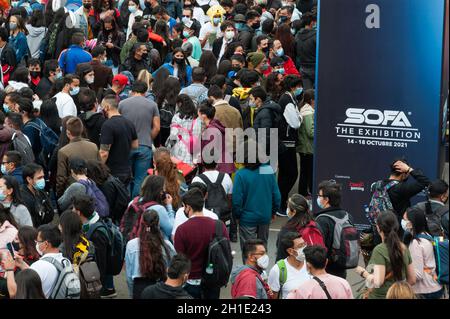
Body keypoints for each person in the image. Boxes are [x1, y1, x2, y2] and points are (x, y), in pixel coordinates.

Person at [174, 188, 230, 299]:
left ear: (188, 207)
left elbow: (180, 258)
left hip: (190, 282)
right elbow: (226, 249)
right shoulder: (219, 226)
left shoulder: (182, 230)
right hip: (214, 279)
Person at [233, 143, 281, 263]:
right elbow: (277, 196)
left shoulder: (241, 174)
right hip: (265, 216)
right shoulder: (267, 170)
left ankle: (248, 276)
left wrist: (238, 216)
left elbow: (236, 201)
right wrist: (273, 211)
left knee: (248, 251)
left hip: (247, 219)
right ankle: (261, 274)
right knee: (262, 249)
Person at [355, 211, 416, 299]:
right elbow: (412, 280)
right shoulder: (403, 248)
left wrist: (363, 272)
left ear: (378, 228)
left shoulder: (379, 250)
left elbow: (378, 282)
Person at [119, 81, 160, 198]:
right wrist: (148, 138)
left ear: (132, 91)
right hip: (145, 146)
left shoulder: (122, 104)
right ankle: (136, 204)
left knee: (125, 177)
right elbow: (156, 127)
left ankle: (124, 203)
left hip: (126, 146)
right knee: (140, 179)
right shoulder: (152, 105)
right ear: (145, 92)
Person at [2, 224, 64, 299]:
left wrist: (9, 269)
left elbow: (14, 293)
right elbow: (34, 275)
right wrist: (22, 264)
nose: (36, 244)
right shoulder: (63, 260)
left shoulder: (40, 265)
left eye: (37, 242)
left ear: (46, 244)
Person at [125, 210, 176, 298]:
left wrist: (132, 294)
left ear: (141, 224)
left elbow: (129, 276)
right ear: (158, 224)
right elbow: (174, 270)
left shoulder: (131, 245)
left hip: (140, 289)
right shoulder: (167, 246)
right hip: (161, 288)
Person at [71, 194, 114, 298]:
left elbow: (100, 264)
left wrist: (96, 286)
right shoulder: (88, 224)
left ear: (78, 212)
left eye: (73, 208)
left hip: (93, 282)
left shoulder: (96, 233)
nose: (71, 211)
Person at [314, 180, 354, 279]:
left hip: (326, 270)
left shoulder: (322, 219)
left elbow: (319, 248)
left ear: (326, 199)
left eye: (319, 196)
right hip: (342, 268)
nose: (318, 198)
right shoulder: (348, 216)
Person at [402, 207, 444, 299]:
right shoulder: (427, 235)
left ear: (411, 223)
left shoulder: (416, 243)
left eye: (405, 220)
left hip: (424, 291)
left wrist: (403, 283)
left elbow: (417, 274)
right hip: (435, 286)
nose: (403, 222)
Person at [276, 75, 302, 214]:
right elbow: (295, 123)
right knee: (291, 173)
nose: (300, 89)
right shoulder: (287, 101)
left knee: (285, 174)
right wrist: (301, 117)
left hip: (286, 142)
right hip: (286, 143)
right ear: (293, 87)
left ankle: (281, 202)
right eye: (298, 86)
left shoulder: (289, 98)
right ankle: (280, 203)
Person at [99, 94, 139, 187]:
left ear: (107, 107)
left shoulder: (107, 125)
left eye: (102, 107)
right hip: (126, 170)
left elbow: (104, 153)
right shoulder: (129, 123)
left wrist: (99, 169)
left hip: (112, 171)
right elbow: (135, 145)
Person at [287, 245, 354, 299]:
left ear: (308, 265)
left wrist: (292, 294)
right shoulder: (343, 283)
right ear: (326, 261)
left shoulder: (304, 289)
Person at [382, 159, 430, 233]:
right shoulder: (401, 188)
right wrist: (409, 169)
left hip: (380, 228)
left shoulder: (377, 185)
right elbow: (425, 182)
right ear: (404, 173)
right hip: (396, 232)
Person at [56, 117, 100, 197]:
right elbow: (99, 169)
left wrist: (60, 196)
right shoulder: (93, 146)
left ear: (68, 132)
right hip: (93, 190)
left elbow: (61, 178)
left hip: (74, 194)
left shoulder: (63, 151)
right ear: (82, 129)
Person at [276, 194, 325, 260]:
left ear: (294, 212)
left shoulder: (286, 231)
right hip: (313, 267)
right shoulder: (315, 225)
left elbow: (280, 256)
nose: (287, 210)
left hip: (294, 267)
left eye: (288, 207)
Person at [268, 232, 311, 299]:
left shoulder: (312, 263)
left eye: (304, 244)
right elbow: (273, 296)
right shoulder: (278, 270)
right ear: (290, 251)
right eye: (300, 246)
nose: (304, 248)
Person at [198, 100, 235, 175]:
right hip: (225, 166)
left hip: (218, 169)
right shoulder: (216, 125)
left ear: (203, 115)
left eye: (198, 114)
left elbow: (210, 154)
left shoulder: (211, 131)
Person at [166, 93, 202, 165]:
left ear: (179, 104)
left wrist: (169, 149)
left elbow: (173, 136)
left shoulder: (177, 117)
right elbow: (197, 136)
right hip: (192, 153)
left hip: (178, 152)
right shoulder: (196, 118)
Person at [58, 210, 95, 275]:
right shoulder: (89, 244)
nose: (59, 226)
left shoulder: (62, 249)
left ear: (65, 228)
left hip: (72, 282)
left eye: (60, 224)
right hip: (89, 278)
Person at [20, 163, 53, 227]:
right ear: (29, 179)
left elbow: (50, 211)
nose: (42, 180)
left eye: (43, 177)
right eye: (39, 178)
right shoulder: (23, 197)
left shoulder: (40, 191)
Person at [297, 89, 315, 197]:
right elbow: (310, 132)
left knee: (305, 171)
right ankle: (303, 193)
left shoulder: (305, 109)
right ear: (312, 100)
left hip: (305, 147)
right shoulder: (308, 112)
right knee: (306, 172)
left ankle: (304, 192)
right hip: (307, 148)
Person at [295, 12, 316, 89]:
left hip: (303, 68)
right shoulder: (316, 36)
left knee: (308, 94)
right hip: (315, 68)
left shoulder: (297, 36)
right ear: (312, 22)